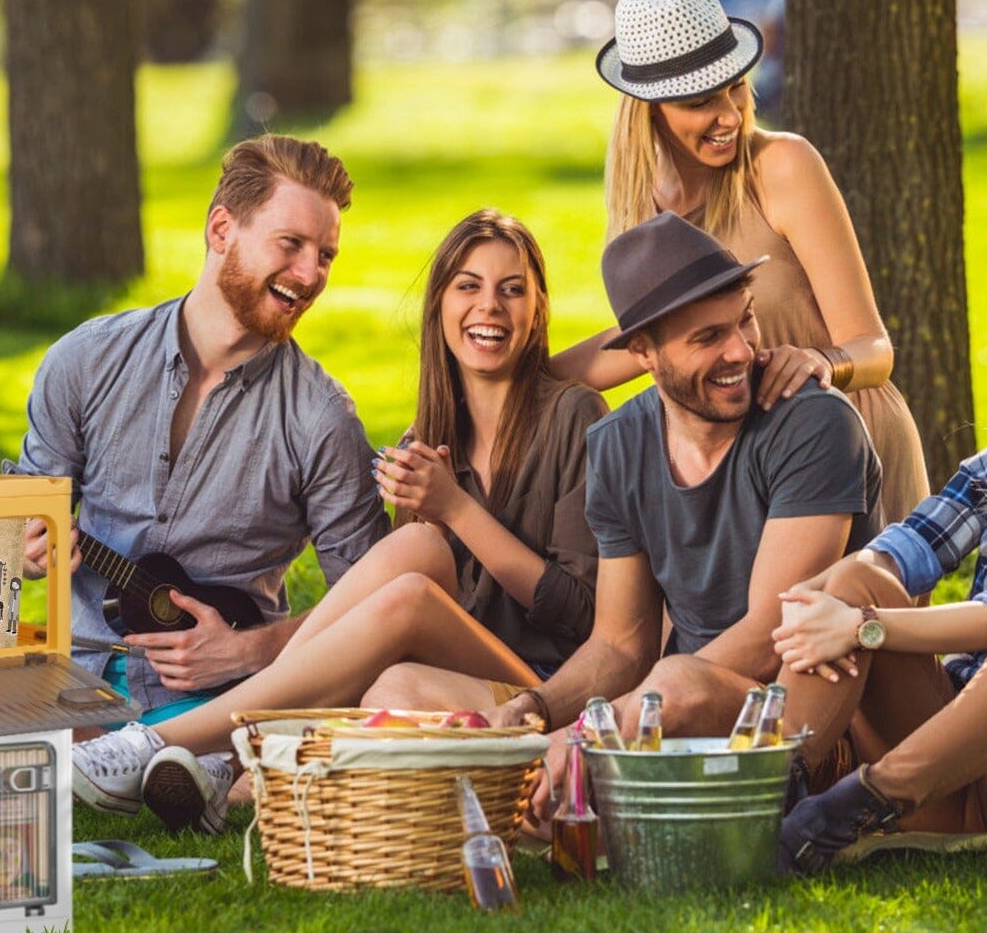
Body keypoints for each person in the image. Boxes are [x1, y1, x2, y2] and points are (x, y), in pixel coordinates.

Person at [70, 210, 608, 834]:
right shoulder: (431, 441)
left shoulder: (575, 417)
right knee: (414, 570)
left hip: (542, 692)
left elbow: (581, 613)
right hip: (454, 682)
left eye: (512, 289)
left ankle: (170, 742)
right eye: (469, 286)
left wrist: (458, 510)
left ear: (537, 309)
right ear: (439, 307)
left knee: (411, 589)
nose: (490, 305)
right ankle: (240, 753)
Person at [490, 211, 884, 822]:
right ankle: (566, 789)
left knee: (675, 683)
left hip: (806, 722)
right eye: (707, 338)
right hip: (671, 705)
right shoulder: (618, 444)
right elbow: (621, 643)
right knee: (404, 689)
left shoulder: (814, 424)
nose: (742, 350)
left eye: (745, 319)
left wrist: (597, 727)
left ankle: (584, 787)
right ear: (643, 351)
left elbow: (766, 637)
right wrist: (538, 708)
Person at [16, 134, 388, 727]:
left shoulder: (321, 418)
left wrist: (249, 650)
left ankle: (185, 762)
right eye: (291, 244)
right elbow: (21, 526)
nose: (311, 274)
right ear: (221, 230)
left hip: (224, 701)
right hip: (75, 682)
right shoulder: (85, 361)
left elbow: (373, 605)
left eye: (325, 255)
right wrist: (26, 547)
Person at [551, 0, 927, 525]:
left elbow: (874, 349)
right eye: (704, 101)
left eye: (736, 87)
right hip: (747, 458)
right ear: (648, 109)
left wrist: (820, 361)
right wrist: (497, 388)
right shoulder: (639, 213)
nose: (730, 114)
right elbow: (642, 345)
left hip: (846, 431)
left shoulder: (782, 166)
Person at [775, 288, 987, 872]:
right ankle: (774, 791)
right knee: (854, 577)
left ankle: (846, 810)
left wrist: (864, 627)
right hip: (949, 761)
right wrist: (833, 598)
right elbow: (899, 551)